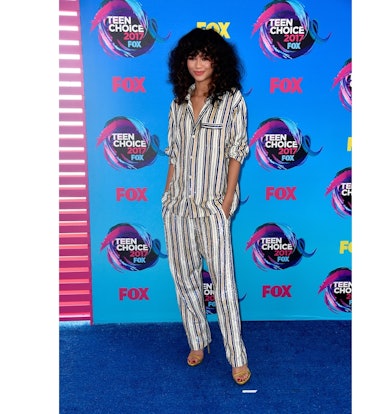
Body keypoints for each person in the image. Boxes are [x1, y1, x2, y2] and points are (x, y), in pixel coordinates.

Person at [161, 27, 251, 385]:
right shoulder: (179, 102)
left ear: (218, 60)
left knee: (224, 285)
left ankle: (237, 357)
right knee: (184, 279)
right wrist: (167, 195)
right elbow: (175, 153)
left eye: (205, 56)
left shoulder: (231, 99)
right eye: (192, 56)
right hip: (178, 206)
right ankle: (198, 340)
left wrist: (227, 200)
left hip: (213, 206)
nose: (198, 64)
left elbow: (237, 152)